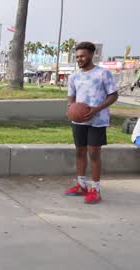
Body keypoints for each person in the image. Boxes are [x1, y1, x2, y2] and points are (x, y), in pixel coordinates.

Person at [64, 41, 118, 204]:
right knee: (80, 152)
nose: (79, 59)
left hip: (97, 120)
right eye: (77, 56)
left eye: (82, 56)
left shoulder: (103, 74)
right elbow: (71, 96)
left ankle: (95, 189)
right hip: (79, 120)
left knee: (94, 153)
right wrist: (70, 108)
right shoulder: (74, 76)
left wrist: (96, 109)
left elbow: (113, 95)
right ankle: (81, 185)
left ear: (91, 55)